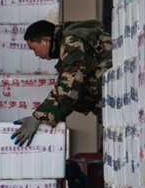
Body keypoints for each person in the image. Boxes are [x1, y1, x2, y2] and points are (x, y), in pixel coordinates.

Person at [12, 19, 112, 147]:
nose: (36, 55)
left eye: (34, 49)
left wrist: (38, 118)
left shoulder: (72, 43)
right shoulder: (68, 42)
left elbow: (69, 86)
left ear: (46, 41)